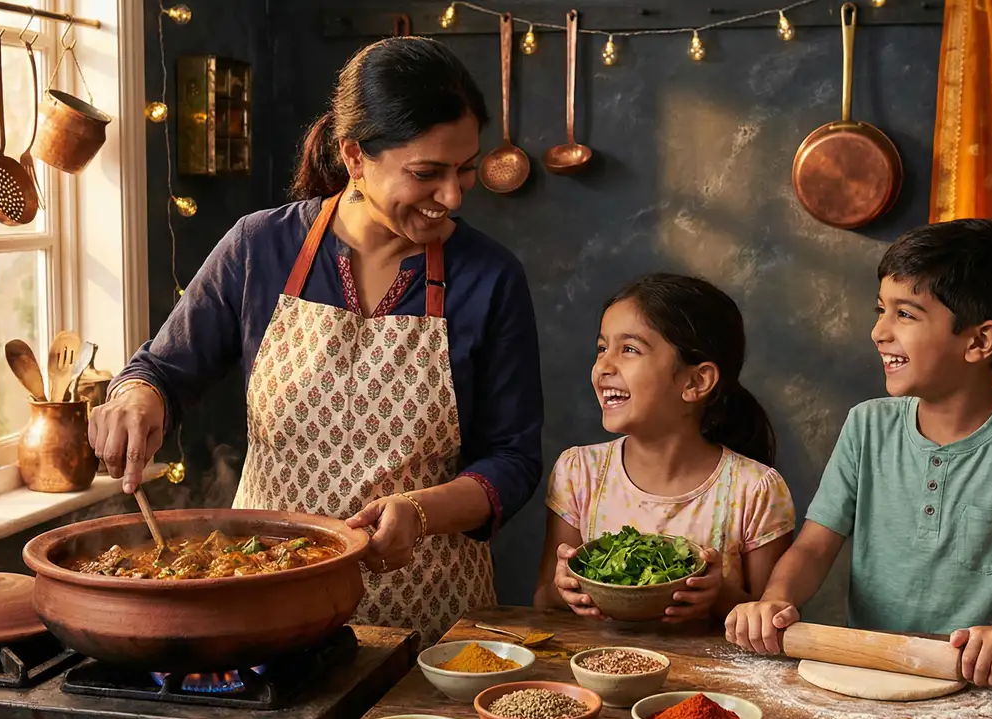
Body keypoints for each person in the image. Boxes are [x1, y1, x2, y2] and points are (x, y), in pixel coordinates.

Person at [91, 37, 544, 641]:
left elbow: (513, 458)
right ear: (356, 156)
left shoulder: (490, 277)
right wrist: (136, 397)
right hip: (265, 597)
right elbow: (163, 371)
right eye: (426, 173)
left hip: (427, 613)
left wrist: (419, 511)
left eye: (463, 170)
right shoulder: (260, 247)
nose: (454, 197)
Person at [725, 220, 992, 686]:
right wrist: (776, 598)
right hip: (871, 675)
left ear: (978, 342)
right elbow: (812, 547)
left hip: (982, 688)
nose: (878, 332)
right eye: (881, 309)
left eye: (905, 314)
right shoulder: (867, 427)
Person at [535, 274, 796, 623]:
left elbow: (773, 621)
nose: (603, 367)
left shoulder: (755, 490)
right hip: (597, 672)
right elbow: (543, 600)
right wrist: (565, 589)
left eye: (629, 349)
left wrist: (717, 595)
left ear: (695, 381)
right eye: (602, 348)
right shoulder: (579, 472)